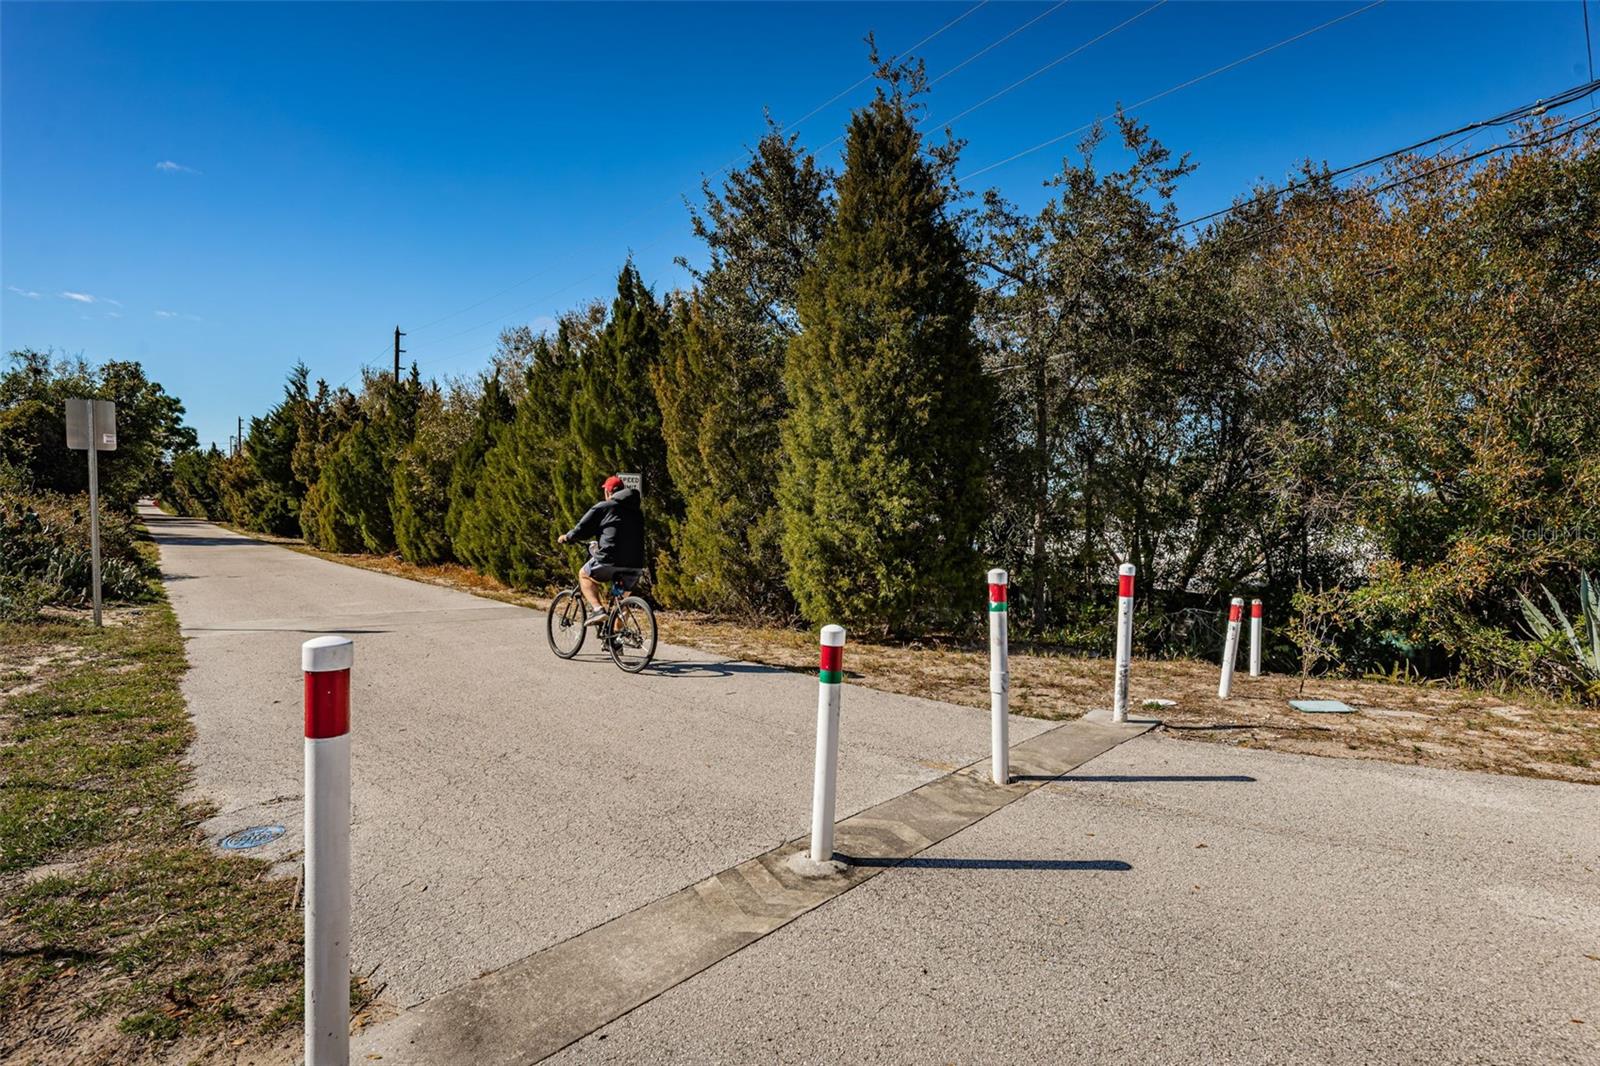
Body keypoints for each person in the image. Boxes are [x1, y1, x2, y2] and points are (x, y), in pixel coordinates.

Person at [557, 474, 645, 626]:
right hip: (635, 563)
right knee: (622, 602)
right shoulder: (637, 511)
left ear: (608, 492)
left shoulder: (604, 507)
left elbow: (581, 529)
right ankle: (617, 639)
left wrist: (568, 537)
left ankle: (598, 610)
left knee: (584, 575)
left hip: (610, 559)